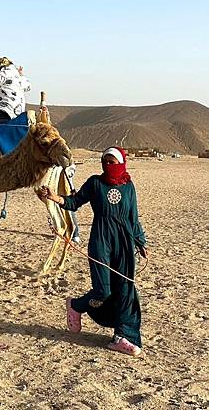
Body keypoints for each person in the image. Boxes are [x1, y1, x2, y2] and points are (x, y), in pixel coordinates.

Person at [37, 146, 148, 357]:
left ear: (121, 163)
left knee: (125, 290)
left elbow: (133, 216)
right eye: (105, 161)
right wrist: (55, 197)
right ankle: (77, 306)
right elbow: (74, 202)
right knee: (102, 291)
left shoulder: (128, 186)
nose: (108, 165)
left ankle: (123, 337)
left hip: (124, 243)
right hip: (101, 242)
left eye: (112, 162)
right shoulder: (95, 183)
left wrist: (140, 241)